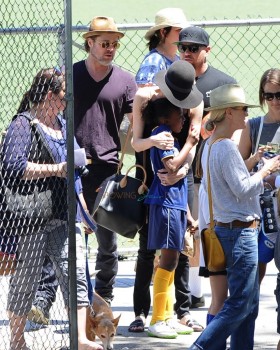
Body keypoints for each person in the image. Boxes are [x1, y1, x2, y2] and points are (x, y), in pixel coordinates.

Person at [2, 68, 102, 350]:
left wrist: (83, 210)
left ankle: (80, 339)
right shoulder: (23, 124)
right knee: (25, 280)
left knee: (76, 274)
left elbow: (73, 170)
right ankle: (17, 340)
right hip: (31, 217)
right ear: (49, 96)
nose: (67, 102)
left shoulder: (62, 124)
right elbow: (12, 166)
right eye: (63, 97)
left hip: (63, 214)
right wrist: (53, 169)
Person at [189, 83, 280, 350]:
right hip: (240, 232)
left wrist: (253, 162)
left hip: (228, 230)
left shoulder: (212, 145)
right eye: (241, 109)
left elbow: (229, 180)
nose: (245, 115)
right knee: (241, 302)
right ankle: (200, 347)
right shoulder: (226, 147)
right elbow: (241, 188)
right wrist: (266, 171)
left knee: (248, 304)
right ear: (228, 112)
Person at [129, 9, 204, 334]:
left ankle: (172, 313)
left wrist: (181, 166)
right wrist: (159, 146)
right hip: (156, 192)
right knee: (156, 252)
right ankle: (151, 315)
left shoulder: (183, 114)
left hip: (174, 196)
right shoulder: (155, 110)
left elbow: (190, 142)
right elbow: (136, 142)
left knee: (174, 254)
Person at [73, 16, 137, 305]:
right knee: (73, 242)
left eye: (114, 44)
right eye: (104, 43)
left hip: (109, 169)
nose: (110, 48)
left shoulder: (125, 80)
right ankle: (78, 299)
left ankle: (104, 299)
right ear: (90, 43)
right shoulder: (70, 75)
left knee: (108, 244)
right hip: (73, 169)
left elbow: (136, 122)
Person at [175, 25, 237, 312]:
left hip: (213, 171)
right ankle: (192, 294)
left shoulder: (223, 82)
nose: (186, 53)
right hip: (182, 170)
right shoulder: (174, 79)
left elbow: (237, 121)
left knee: (213, 230)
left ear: (206, 50)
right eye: (182, 47)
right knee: (190, 231)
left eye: (193, 48)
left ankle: (214, 293)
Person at [142, 94, 202, 339]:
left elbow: (177, 180)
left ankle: (166, 316)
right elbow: (172, 167)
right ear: (167, 117)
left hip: (175, 206)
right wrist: (189, 143)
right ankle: (157, 318)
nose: (184, 118)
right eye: (181, 115)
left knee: (173, 261)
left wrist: (187, 213)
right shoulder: (165, 136)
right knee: (167, 261)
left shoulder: (169, 134)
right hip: (166, 206)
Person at [237, 68, 280, 282]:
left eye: (279, 95)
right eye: (269, 95)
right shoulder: (253, 126)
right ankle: (249, 311)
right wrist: (256, 161)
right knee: (254, 269)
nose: (274, 101)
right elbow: (237, 168)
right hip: (260, 209)